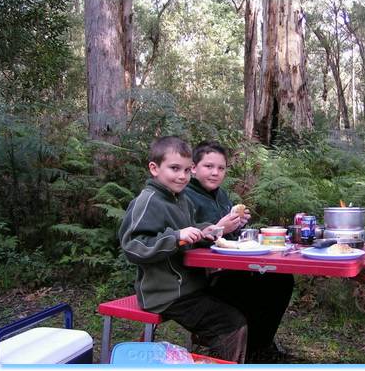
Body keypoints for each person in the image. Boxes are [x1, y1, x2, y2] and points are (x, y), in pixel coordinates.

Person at [118, 136, 248, 363]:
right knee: (231, 323)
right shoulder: (148, 201)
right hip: (166, 293)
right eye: (174, 168)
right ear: (154, 168)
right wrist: (176, 237)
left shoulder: (180, 199)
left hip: (192, 285)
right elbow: (133, 246)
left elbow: (191, 228)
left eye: (187, 170)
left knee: (243, 296)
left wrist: (208, 229)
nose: (182, 176)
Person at [185, 140, 294, 363]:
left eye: (221, 168)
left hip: (227, 269)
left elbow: (228, 239)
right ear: (193, 168)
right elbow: (188, 241)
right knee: (250, 287)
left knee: (281, 280)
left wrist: (238, 226)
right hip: (200, 279)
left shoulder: (222, 196)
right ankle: (248, 350)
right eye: (208, 166)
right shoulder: (185, 196)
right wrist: (220, 228)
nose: (215, 173)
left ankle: (260, 346)